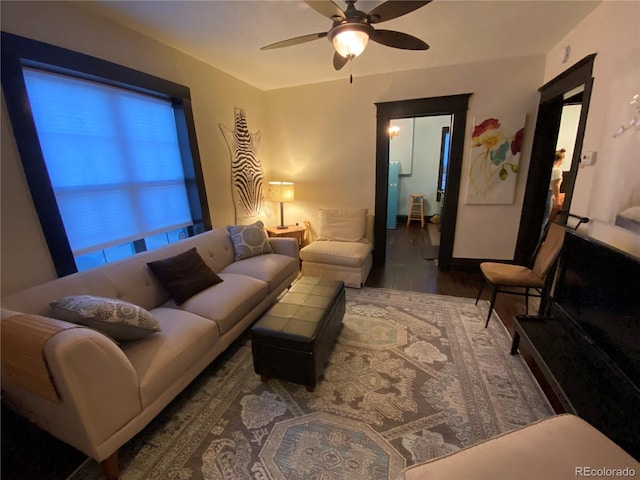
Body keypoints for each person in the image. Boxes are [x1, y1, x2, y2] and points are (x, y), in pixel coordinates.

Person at [543, 149, 565, 229]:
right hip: (548, 194)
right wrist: (557, 200)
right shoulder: (557, 171)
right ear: (561, 159)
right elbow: (556, 186)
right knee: (544, 221)